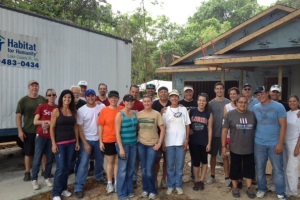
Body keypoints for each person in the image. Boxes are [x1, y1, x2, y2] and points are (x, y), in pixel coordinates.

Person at [253, 86, 287, 200]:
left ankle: (281, 192)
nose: (260, 96)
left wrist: (280, 143)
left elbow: (283, 126)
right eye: (258, 95)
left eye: (262, 94)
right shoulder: (255, 107)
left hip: (274, 143)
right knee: (260, 168)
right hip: (259, 143)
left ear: (267, 93)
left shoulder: (279, 106)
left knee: (278, 169)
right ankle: (262, 189)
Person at [222, 95, 256, 198]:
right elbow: (224, 131)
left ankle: (249, 188)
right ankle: (235, 187)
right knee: (235, 168)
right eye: (240, 102)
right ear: (236, 103)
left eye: (245, 102)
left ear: (247, 104)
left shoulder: (252, 115)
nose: (242, 104)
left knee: (249, 169)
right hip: (235, 147)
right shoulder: (229, 115)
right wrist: (224, 145)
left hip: (250, 148)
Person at [74, 89, 106, 198]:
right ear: (86, 97)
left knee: (100, 160)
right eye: (89, 96)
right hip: (86, 139)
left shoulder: (101, 107)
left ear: (95, 97)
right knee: (83, 164)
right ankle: (78, 187)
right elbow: (79, 128)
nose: (91, 98)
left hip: (98, 139)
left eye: (93, 96)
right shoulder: (81, 110)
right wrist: (85, 143)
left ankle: (99, 177)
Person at [50, 89, 80, 200]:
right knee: (60, 168)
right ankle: (56, 193)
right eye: (65, 97)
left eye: (69, 97)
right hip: (60, 144)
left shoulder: (73, 111)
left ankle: (63, 189)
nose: (67, 99)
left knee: (67, 167)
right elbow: (52, 128)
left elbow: (75, 127)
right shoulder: (56, 111)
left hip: (71, 143)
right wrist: (53, 143)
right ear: (61, 98)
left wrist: (77, 141)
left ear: (71, 99)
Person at [16, 80, 46, 181]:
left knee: (43, 152)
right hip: (28, 131)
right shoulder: (23, 101)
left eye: (36, 86)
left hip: (41, 131)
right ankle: (27, 172)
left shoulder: (43, 99)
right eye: (32, 86)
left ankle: (44, 170)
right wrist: (20, 131)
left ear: (38, 88)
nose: (34, 88)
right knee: (28, 153)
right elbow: (18, 116)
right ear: (29, 87)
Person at [163, 89, 191, 195]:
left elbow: (187, 125)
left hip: (181, 143)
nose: (174, 98)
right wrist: (162, 142)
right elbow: (163, 127)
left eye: (176, 96)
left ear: (178, 98)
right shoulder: (165, 111)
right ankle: (170, 185)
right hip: (169, 143)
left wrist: (187, 139)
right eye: (172, 96)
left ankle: (178, 185)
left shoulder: (183, 110)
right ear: (169, 98)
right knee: (170, 166)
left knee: (179, 166)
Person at [137, 95, 165, 199]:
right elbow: (136, 128)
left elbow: (162, 129)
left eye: (148, 101)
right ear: (143, 103)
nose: (147, 103)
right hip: (141, 144)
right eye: (145, 101)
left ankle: (153, 190)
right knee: (143, 169)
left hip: (152, 145)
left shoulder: (156, 114)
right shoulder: (138, 115)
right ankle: (145, 189)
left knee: (149, 169)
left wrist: (159, 143)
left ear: (151, 102)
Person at [31, 89, 58, 190]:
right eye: (49, 95)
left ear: (56, 96)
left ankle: (47, 177)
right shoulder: (42, 106)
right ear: (46, 97)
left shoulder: (58, 108)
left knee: (50, 158)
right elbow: (35, 121)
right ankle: (34, 180)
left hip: (52, 136)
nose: (51, 96)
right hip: (41, 135)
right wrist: (46, 121)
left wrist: (51, 125)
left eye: (53, 95)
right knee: (37, 158)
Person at [98, 90, 123, 193]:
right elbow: (100, 126)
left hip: (120, 140)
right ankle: (109, 183)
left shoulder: (122, 109)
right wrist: (100, 141)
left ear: (118, 98)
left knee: (118, 162)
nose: (113, 99)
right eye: (111, 97)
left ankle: (117, 182)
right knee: (110, 162)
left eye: (115, 97)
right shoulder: (104, 111)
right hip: (108, 139)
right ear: (108, 99)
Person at [120, 85, 144, 187]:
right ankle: (123, 182)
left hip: (136, 137)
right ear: (129, 91)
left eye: (136, 92)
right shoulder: (122, 103)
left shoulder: (140, 104)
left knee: (134, 161)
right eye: (133, 92)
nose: (134, 94)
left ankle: (133, 179)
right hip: (125, 139)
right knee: (124, 163)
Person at [115, 94, 138, 200]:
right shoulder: (120, 115)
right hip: (123, 145)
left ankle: (129, 190)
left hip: (133, 144)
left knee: (130, 168)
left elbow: (137, 128)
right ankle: (122, 193)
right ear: (123, 102)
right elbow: (117, 133)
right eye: (127, 101)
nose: (130, 102)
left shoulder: (134, 113)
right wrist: (121, 148)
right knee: (122, 169)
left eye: (132, 101)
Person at [208, 82, 230, 185]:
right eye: (217, 89)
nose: (219, 90)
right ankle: (212, 175)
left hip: (225, 135)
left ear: (224, 90)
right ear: (214, 90)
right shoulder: (210, 103)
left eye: (221, 88)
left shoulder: (228, 102)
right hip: (214, 134)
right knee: (213, 156)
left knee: (225, 156)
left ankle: (227, 177)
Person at [189, 93, 212, 191]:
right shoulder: (191, 111)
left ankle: (202, 180)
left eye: (203, 100)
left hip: (204, 142)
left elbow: (210, 129)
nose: (201, 102)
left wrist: (209, 143)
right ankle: (196, 181)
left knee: (204, 161)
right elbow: (185, 123)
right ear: (197, 101)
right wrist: (188, 130)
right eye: (200, 100)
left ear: (206, 102)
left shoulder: (208, 113)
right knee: (195, 162)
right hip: (193, 141)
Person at [152, 86, 171, 189]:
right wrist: (160, 113)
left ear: (168, 94)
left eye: (165, 92)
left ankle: (164, 179)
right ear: (158, 94)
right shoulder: (154, 104)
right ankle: (155, 179)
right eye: (161, 92)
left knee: (167, 160)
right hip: (156, 136)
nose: (163, 94)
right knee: (156, 159)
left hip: (169, 136)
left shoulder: (171, 103)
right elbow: (151, 117)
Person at [283, 95, 300, 197]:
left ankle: (293, 191)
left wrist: (297, 147)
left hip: (294, 144)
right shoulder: (286, 113)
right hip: (284, 143)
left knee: (291, 168)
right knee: (285, 167)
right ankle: (286, 189)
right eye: (290, 101)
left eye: (294, 101)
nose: (292, 103)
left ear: (298, 102)